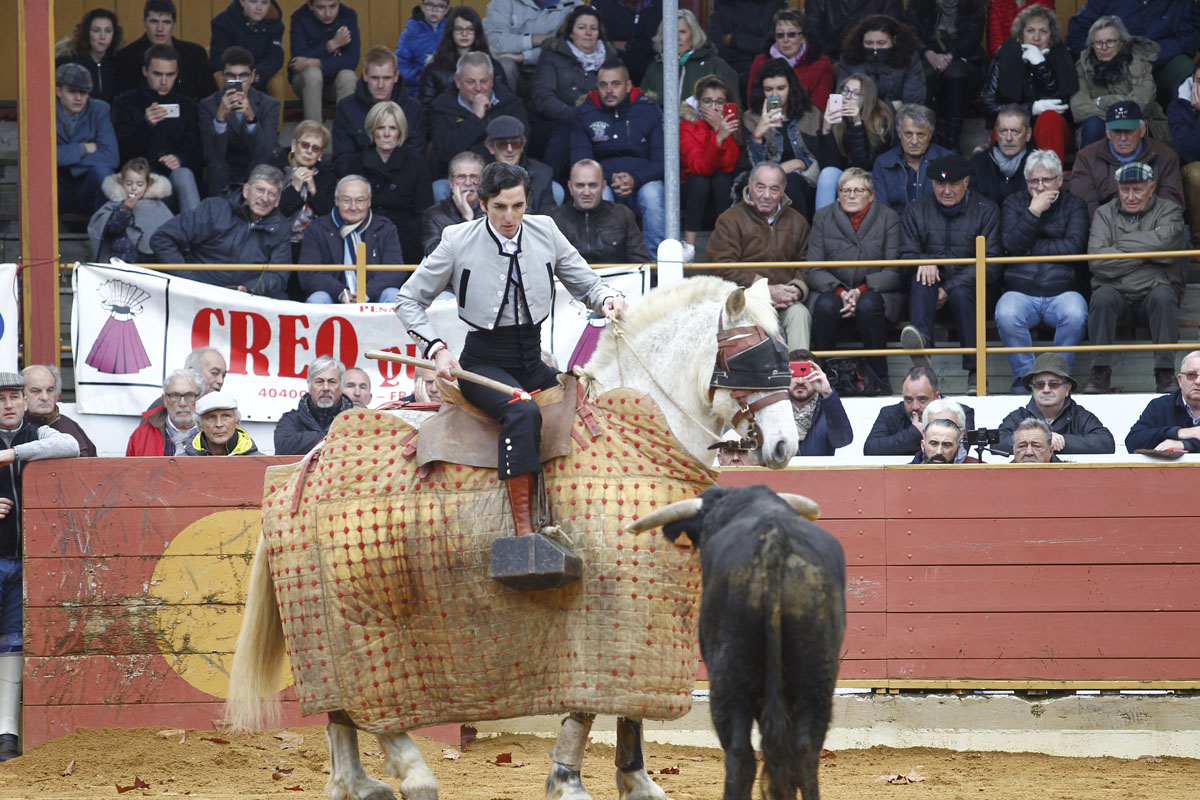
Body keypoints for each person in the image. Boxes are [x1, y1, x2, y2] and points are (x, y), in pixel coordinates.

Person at [395, 161, 627, 544]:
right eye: (500, 207)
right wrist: (436, 350)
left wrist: (608, 299)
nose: (510, 216)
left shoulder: (545, 230)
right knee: (522, 411)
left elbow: (586, 281)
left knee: (590, 401)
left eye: (517, 206)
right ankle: (524, 535)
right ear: (483, 203)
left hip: (533, 362)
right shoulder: (456, 239)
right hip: (484, 362)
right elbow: (408, 299)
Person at [0, 372, 80, 762]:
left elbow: (71, 445)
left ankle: (7, 734)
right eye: (1, 398)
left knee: (13, 643)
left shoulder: (39, 434)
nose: (9, 404)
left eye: (14, 396)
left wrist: (13, 453)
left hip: (22, 560)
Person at [899, 154, 1001, 395]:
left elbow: (992, 264)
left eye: (953, 184)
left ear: (966, 182)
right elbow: (904, 258)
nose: (946, 190)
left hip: (968, 291)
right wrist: (924, 261)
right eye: (940, 184)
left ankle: (977, 371)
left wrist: (950, 286)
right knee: (921, 279)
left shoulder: (986, 210)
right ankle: (922, 360)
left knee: (963, 293)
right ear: (931, 184)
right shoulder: (916, 210)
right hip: (927, 293)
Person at [1083, 161, 1187, 395]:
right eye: (1124, 189)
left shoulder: (1169, 210)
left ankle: (1165, 372)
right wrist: (1148, 255)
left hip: (1154, 290)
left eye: (1137, 189)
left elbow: (1169, 245)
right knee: (1101, 298)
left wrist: (1118, 246)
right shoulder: (1104, 213)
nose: (1130, 196)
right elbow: (1097, 261)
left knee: (1164, 297)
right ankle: (1099, 372)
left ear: (1152, 188)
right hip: (1116, 292)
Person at [996, 149, 1090, 391]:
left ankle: (1059, 377)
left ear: (1059, 179)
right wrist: (1033, 211)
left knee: (1076, 313)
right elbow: (1011, 245)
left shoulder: (1074, 205)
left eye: (1046, 180)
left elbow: (1074, 247)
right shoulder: (1014, 203)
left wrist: (1031, 248)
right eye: (1033, 181)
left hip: (1062, 290)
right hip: (1020, 290)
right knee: (1006, 313)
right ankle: (1027, 378)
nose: (1039, 186)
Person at [807, 168, 903, 387]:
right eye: (845, 190)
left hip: (874, 291)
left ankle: (879, 379)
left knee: (868, 306)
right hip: (832, 289)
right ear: (838, 195)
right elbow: (812, 269)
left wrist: (860, 291)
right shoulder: (823, 217)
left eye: (858, 190)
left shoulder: (888, 217)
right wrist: (841, 293)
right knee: (824, 306)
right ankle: (824, 379)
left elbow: (895, 271)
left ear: (871, 195)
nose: (851, 195)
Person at [706, 162, 812, 350]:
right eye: (760, 187)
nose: (766, 195)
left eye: (774, 189)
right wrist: (765, 290)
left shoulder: (798, 221)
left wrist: (796, 288)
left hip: (784, 301)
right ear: (750, 184)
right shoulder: (730, 219)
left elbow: (804, 264)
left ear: (783, 189)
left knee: (800, 314)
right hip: (745, 301)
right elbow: (720, 266)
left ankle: (798, 375)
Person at [150, 164, 291, 299]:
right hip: (199, 290)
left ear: (277, 201)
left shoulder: (281, 227)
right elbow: (162, 238)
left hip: (248, 297)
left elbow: (278, 274)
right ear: (246, 191)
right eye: (260, 190)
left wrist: (248, 289)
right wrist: (188, 281)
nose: (265, 198)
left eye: (271, 194)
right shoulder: (214, 209)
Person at [569, 59, 665, 253]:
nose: (609, 91)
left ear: (628, 85)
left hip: (643, 183)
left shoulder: (648, 110)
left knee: (653, 194)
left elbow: (663, 162)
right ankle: (607, 260)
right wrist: (609, 177)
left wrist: (635, 179)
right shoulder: (585, 113)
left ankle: (657, 263)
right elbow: (580, 163)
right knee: (597, 191)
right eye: (603, 85)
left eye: (615, 84)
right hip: (605, 183)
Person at [111, 43, 202, 214]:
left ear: (177, 74)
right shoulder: (125, 103)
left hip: (175, 179)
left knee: (184, 174)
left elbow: (197, 150)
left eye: (170, 75)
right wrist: (146, 126)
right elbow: (121, 151)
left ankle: (196, 233)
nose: (163, 81)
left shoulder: (188, 106)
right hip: (138, 179)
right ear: (145, 71)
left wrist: (179, 159)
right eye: (157, 74)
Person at [982, 4, 1075, 160]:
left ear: (1051, 35)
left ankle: (1049, 177)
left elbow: (1063, 104)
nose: (1036, 37)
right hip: (1016, 127)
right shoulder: (1005, 54)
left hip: (1052, 132)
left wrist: (1041, 65)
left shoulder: (1062, 55)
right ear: (1021, 34)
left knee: (1049, 118)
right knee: (1010, 122)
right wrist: (1029, 108)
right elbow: (988, 104)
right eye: (1030, 31)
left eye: (1043, 31)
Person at [344, 101, 433, 263]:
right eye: (380, 127)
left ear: (400, 132)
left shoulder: (417, 164)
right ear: (372, 130)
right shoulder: (356, 163)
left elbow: (424, 212)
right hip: (364, 233)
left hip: (404, 237)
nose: (386, 134)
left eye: (392, 128)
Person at [299, 175, 408, 303]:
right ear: (336, 201)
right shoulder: (317, 228)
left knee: (393, 295)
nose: (353, 207)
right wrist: (340, 292)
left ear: (369, 201)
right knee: (317, 299)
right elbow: (309, 274)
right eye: (346, 200)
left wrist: (366, 292)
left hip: (373, 295)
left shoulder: (385, 228)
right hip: (334, 295)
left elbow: (395, 271)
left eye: (360, 200)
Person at [531, 5, 611, 178]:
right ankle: (552, 189)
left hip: (598, 122)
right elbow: (543, 98)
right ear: (571, 32)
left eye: (593, 28)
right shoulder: (552, 54)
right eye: (582, 28)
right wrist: (575, 115)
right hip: (555, 123)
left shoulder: (611, 59)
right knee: (567, 131)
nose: (588, 33)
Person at [1066, 0, 1200, 103]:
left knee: (1184, 69)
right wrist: (1099, 56)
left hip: (1156, 64)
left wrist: (1147, 55)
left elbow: (1189, 37)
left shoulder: (1181, 3)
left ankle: (1182, 125)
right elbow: (1078, 28)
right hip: (1107, 66)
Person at [1070, 100, 1184, 218]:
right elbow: (1084, 205)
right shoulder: (1086, 157)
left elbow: (1172, 205)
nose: (1123, 138)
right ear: (1108, 132)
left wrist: (1142, 231)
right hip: (1105, 229)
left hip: (1152, 229)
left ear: (1142, 130)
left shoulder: (1166, 156)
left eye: (1129, 131)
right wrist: (1108, 229)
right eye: (1117, 132)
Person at [1069, 16, 1170, 149]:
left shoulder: (1138, 62)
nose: (1104, 47)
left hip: (1142, 123)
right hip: (1100, 127)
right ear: (1092, 45)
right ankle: (1091, 169)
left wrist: (1100, 101)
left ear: (1121, 42)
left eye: (1110, 41)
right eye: (1098, 43)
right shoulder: (1082, 66)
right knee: (1093, 124)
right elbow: (1079, 109)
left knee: (1136, 125)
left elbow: (1142, 104)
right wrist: (1124, 104)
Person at [745, 58, 826, 220]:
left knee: (792, 183)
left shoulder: (811, 114)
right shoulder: (751, 118)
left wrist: (800, 162)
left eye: (781, 88)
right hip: (767, 180)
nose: (774, 95)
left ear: (791, 88)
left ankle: (799, 240)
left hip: (806, 177)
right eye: (768, 89)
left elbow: (823, 155)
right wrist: (758, 135)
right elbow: (752, 167)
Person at [199, 46, 281, 196]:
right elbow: (211, 154)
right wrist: (220, 118)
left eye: (243, 76)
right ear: (221, 77)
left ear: (252, 76)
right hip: (224, 168)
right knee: (216, 166)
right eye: (231, 76)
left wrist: (251, 118)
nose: (237, 81)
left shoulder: (269, 105)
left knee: (262, 165)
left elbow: (265, 152)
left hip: (254, 165)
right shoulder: (208, 105)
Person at [904, 0, 985, 151]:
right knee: (923, 74)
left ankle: (952, 138)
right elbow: (911, 32)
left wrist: (950, 55)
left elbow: (973, 37)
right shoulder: (917, 4)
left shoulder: (974, 5)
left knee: (956, 72)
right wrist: (928, 53)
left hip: (965, 58)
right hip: (926, 57)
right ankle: (928, 136)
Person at [430, 51, 529, 175]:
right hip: (461, 180)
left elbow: (520, 146)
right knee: (438, 189)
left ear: (492, 79)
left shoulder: (510, 103)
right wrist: (476, 118)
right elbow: (446, 153)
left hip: (504, 175)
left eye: (484, 81)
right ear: (457, 81)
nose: (478, 88)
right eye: (470, 82)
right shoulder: (442, 107)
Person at [331, 46, 426, 174]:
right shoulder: (346, 107)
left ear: (396, 76)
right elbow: (342, 159)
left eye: (387, 78)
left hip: (402, 184)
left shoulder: (413, 108)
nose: (380, 85)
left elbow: (416, 157)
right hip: (360, 183)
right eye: (374, 78)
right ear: (365, 75)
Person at [996, 353, 1115, 455]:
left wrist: (1064, 441)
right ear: (1032, 389)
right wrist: (1042, 440)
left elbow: (1106, 443)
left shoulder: (1080, 415)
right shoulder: (1019, 416)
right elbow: (996, 443)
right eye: (1039, 384)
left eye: (1053, 384)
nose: (1046, 389)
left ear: (1067, 388)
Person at [814, 72, 894, 210]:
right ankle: (822, 226)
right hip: (842, 173)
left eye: (856, 93)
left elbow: (862, 166)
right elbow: (830, 165)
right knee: (828, 174)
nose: (847, 97)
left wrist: (857, 124)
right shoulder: (833, 116)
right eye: (845, 90)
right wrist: (826, 130)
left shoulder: (880, 119)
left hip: (871, 175)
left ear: (866, 99)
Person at [680, 76, 740, 258]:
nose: (714, 107)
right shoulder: (687, 126)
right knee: (701, 181)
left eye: (719, 102)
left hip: (720, 189)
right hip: (692, 188)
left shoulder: (730, 124)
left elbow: (729, 165)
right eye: (707, 101)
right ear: (698, 103)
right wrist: (718, 136)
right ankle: (689, 248)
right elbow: (699, 167)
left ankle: (726, 242)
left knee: (722, 179)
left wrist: (720, 133)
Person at [547, 159, 651, 264]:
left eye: (593, 185)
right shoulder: (553, 219)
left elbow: (640, 264)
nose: (586, 192)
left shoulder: (622, 215)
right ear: (570, 187)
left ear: (603, 187)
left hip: (615, 279)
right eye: (580, 185)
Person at [863, 366, 979, 456]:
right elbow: (870, 449)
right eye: (908, 399)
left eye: (922, 399)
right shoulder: (889, 413)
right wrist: (912, 434)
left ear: (936, 396)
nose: (915, 406)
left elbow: (961, 451)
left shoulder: (960, 412)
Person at [642, 9, 740, 110]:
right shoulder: (654, 69)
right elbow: (643, 109)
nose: (677, 37)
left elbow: (733, 110)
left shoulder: (717, 66)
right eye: (671, 32)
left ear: (694, 35)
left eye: (683, 32)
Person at [418, 6, 508, 117]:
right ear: (451, 31)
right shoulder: (434, 69)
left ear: (477, 32)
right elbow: (426, 107)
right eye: (459, 29)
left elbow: (505, 102)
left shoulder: (493, 66)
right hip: (447, 124)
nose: (464, 34)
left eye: (470, 29)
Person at [114, 0, 211, 101]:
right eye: (154, 21)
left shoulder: (195, 54)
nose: (160, 29)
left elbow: (209, 97)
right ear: (144, 22)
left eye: (166, 22)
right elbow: (124, 102)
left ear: (175, 24)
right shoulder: (127, 57)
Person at [56, 63, 119, 215]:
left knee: (103, 172)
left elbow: (111, 156)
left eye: (83, 92)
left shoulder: (99, 109)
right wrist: (82, 149)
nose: (78, 98)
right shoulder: (44, 109)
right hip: (55, 186)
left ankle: (102, 230)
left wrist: (67, 162)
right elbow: (41, 157)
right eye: (72, 92)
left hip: (86, 186)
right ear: (58, 91)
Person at [871, 103, 954, 213]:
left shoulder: (949, 161)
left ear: (930, 135)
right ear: (899, 133)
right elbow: (882, 211)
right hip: (896, 227)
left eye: (920, 135)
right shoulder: (883, 163)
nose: (914, 141)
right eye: (908, 134)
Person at [745, 9, 832, 112]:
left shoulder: (821, 64)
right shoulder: (760, 62)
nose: (786, 40)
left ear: (803, 37)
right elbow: (754, 103)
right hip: (768, 121)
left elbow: (819, 109)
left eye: (791, 34)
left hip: (806, 124)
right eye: (780, 35)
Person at [88, 157, 173, 262]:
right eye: (129, 184)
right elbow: (110, 230)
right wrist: (124, 211)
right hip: (123, 258)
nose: (134, 188)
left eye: (139, 184)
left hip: (151, 261)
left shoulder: (157, 206)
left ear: (147, 185)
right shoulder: (115, 205)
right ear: (121, 183)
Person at [288, 0, 360, 123]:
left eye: (333, 6)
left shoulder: (348, 15)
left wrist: (315, 62)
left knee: (348, 76)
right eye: (321, 7)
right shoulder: (300, 17)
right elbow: (297, 62)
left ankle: (344, 135)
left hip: (334, 84)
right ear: (310, 5)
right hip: (305, 83)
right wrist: (332, 45)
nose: (328, 13)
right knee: (312, 74)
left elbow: (351, 61)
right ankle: (314, 135)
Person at [273, 121, 336, 258]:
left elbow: (332, 217)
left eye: (316, 148)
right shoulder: (274, 171)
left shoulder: (327, 178)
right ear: (294, 145)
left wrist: (314, 191)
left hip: (315, 246)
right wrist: (294, 189)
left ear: (320, 154)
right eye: (305, 145)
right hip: (276, 244)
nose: (309, 151)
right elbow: (271, 213)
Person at [838, 15, 926, 111]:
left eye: (881, 43)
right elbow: (843, 99)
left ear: (894, 40)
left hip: (899, 121)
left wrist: (866, 104)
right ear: (861, 41)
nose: (875, 48)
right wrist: (892, 106)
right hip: (859, 119)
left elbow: (914, 102)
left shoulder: (910, 59)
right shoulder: (848, 58)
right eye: (869, 43)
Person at [275, 356, 354, 455]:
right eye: (319, 382)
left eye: (332, 382)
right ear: (309, 385)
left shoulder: (355, 419)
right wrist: (337, 437)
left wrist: (306, 440)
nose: (326, 388)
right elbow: (284, 447)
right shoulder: (291, 420)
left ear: (341, 386)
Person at [1125, 350, 1200, 452]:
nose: (1198, 381)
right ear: (1180, 380)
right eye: (1191, 375)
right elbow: (1133, 442)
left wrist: (1185, 444)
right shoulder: (1160, 406)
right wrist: (1178, 433)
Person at [705, 0, 785, 90]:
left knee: (773, 95)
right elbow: (715, 44)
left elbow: (771, 44)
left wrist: (733, 39)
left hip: (764, 68)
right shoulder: (722, 3)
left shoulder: (773, 3)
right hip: (728, 68)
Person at [786, 350, 853, 456]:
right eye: (794, 373)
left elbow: (843, 440)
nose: (800, 381)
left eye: (805, 373)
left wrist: (827, 393)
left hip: (818, 472)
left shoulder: (828, 407)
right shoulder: (775, 409)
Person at [483, 116, 555, 214]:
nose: (510, 149)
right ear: (490, 147)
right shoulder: (479, 174)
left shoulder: (542, 173)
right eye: (502, 144)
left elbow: (548, 215)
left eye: (515, 143)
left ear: (522, 145)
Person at [22, 365, 97, 458]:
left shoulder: (69, 425)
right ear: (22, 394)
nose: (45, 397)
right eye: (36, 391)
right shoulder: (15, 427)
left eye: (50, 390)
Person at [208, 0, 285, 89]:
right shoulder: (222, 22)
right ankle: (230, 102)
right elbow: (217, 58)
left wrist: (256, 73)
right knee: (219, 76)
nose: (259, 8)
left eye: (264, 2)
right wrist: (240, 73)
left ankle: (275, 104)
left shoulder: (275, 24)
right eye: (253, 2)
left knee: (276, 81)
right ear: (242, 2)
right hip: (232, 73)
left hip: (258, 75)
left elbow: (275, 57)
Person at [126, 368, 203, 456]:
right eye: (175, 395)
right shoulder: (141, 436)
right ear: (164, 400)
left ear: (200, 398)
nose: (182, 403)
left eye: (190, 395)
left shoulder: (214, 434)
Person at [55, 7, 123, 104]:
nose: (102, 37)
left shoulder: (118, 62)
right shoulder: (68, 61)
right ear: (87, 32)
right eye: (96, 30)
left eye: (108, 31)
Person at [422, 151, 484, 255]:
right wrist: (467, 218)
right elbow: (434, 254)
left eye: (474, 176)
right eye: (461, 177)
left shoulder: (493, 211)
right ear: (451, 182)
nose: (468, 183)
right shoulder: (433, 215)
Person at [970, 105, 1032, 206]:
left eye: (1015, 132)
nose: (1008, 138)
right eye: (1003, 131)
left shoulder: (1039, 164)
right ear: (996, 133)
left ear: (1028, 134)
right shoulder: (978, 162)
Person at [805, 0, 903, 62]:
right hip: (830, 61)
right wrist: (831, 62)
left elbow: (892, 30)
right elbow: (813, 35)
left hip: (875, 60)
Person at [590, 0, 661, 86]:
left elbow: (661, 44)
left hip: (652, 75)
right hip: (609, 75)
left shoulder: (665, 5)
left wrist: (630, 45)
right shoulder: (600, 3)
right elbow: (599, 43)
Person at [1169, 62, 1200, 246]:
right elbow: (1189, 153)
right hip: (1194, 169)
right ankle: (1198, 240)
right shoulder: (1179, 106)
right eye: (1199, 81)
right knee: (1197, 173)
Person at [395, 0, 449, 93]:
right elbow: (401, 65)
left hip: (448, 89)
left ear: (447, 10)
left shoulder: (453, 30)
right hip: (418, 90)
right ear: (422, 6)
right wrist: (419, 76)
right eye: (429, 4)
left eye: (440, 6)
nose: (434, 10)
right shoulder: (410, 34)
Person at [184, 391, 259, 456]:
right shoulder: (180, 464)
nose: (219, 424)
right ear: (200, 425)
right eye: (211, 417)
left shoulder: (261, 464)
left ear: (236, 422)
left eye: (226, 416)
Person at [988, 0, 1056, 58]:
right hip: (1006, 62)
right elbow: (996, 47)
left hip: (1040, 60)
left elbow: (1042, 42)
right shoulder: (997, 2)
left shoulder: (1045, 2)